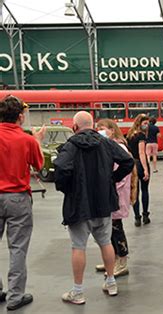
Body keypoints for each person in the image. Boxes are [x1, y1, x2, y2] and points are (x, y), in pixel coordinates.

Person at [54, 111, 134, 304]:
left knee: (78, 246)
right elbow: (128, 161)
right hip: (104, 202)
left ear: (74, 127)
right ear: (92, 124)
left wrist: (67, 188)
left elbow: (62, 168)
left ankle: (78, 292)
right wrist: (111, 179)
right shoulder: (106, 143)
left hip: (79, 205)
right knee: (106, 242)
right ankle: (111, 282)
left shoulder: (71, 145)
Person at [0, 96, 45, 311]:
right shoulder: (26, 140)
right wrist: (37, 140)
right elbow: (39, 164)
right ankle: (15, 296)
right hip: (18, 197)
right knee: (17, 248)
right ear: (20, 116)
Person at [96, 119, 135, 277]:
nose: (99, 130)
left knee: (116, 229)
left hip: (116, 195)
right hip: (111, 194)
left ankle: (122, 261)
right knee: (109, 229)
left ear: (112, 130)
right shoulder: (109, 146)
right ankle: (113, 259)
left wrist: (110, 188)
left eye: (102, 128)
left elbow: (121, 175)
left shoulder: (119, 147)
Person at [127, 114, 151, 227]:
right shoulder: (141, 136)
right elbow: (142, 153)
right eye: (145, 123)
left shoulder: (130, 135)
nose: (147, 125)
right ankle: (145, 215)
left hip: (132, 165)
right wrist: (146, 169)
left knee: (135, 191)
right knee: (145, 190)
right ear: (140, 123)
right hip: (140, 164)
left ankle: (137, 217)